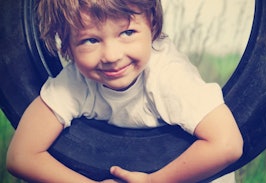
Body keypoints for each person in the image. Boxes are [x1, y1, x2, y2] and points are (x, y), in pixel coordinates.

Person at [6, 0, 243, 182]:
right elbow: (21, 156)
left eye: (127, 33)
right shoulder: (75, 82)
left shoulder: (167, 75)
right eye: (90, 40)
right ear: (66, 45)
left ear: (152, 23)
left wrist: (155, 181)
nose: (111, 56)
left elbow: (227, 144)